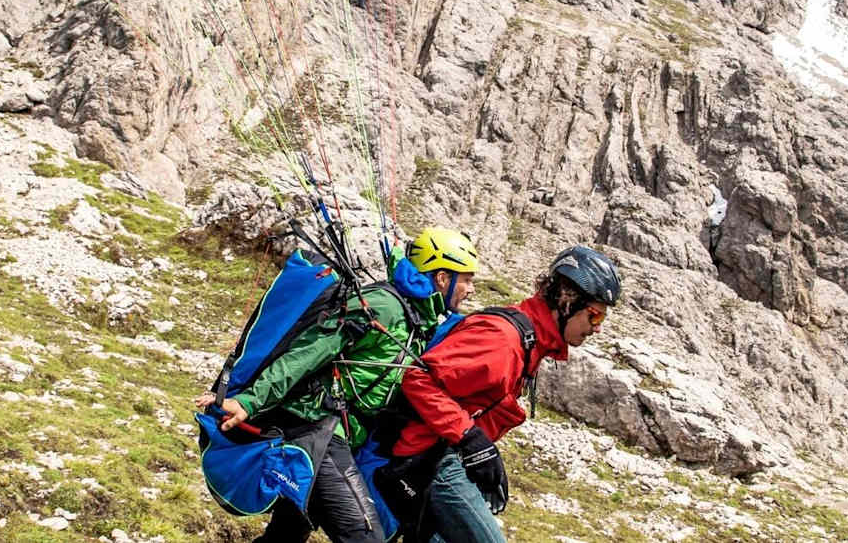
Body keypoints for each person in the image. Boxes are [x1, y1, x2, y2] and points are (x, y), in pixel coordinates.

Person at [195, 227, 480, 543]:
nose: (469, 289)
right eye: (466, 279)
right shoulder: (384, 306)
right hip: (316, 431)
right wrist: (249, 401)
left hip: (341, 437)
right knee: (364, 537)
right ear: (442, 277)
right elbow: (308, 352)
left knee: (287, 533)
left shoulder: (419, 320)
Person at [388, 245, 621, 542]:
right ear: (567, 300)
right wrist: (470, 440)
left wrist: (479, 455)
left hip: (446, 456)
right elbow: (419, 378)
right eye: (595, 316)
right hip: (431, 459)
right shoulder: (504, 340)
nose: (596, 329)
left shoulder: (531, 342)